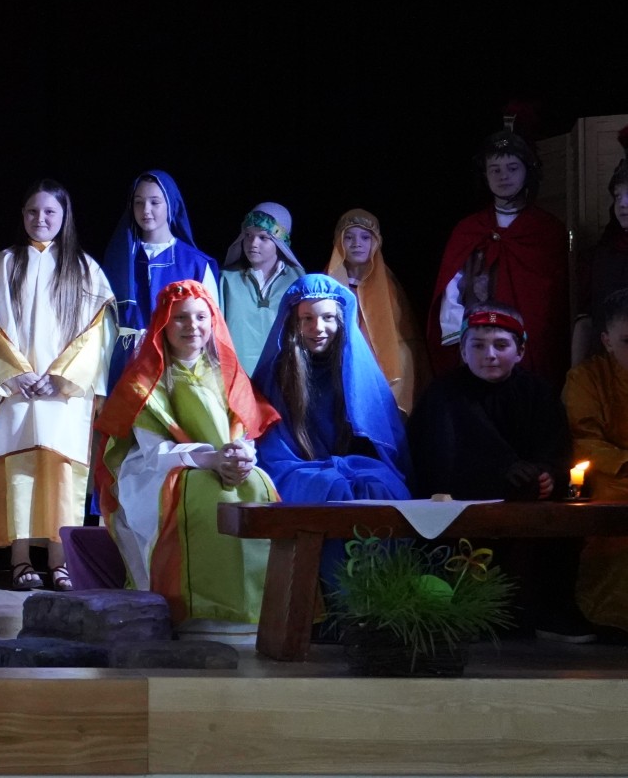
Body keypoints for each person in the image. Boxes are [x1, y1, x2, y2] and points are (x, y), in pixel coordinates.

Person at [96, 280, 277, 632]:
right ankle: (200, 613)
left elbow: (243, 430)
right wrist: (209, 459)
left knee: (257, 486)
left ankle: (256, 609)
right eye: (180, 317)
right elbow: (154, 451)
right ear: (163, 323)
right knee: (204, 496)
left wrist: (241, 457)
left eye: (200, 317)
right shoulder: (144, 381)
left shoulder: (227, 374)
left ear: (212, 322)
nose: (192, 326)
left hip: (222, 464)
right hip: (160, 469)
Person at [408, 303, 589, 641]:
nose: (489, 355)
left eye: (501, 345)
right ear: (463, 351)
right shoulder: (442, 396)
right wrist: (500, 472)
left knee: (565, 520)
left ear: (520, 351)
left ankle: (548, 614)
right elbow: (436, 460)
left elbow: (555, 449)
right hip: (462, 502)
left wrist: (547, 475)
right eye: (478, 345)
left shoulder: (537, 393)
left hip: (529, 501)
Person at [0, 179, 113, 590]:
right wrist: (17, 372)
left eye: (50, 212)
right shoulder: (5, 264)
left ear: (64, 216)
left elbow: (96, 334)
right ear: (23, 215)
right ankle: (20, 560)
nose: (41, 219)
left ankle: (61, 562)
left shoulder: (85, 269)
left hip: (62, 393)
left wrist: (61, 377)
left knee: (61, 474)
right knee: (19, 471)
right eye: (33, 211)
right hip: (17, 388)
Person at [429, 118, 571, 385]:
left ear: (527, 171)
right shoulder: (469, 229)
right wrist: (462, 338)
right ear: (485, 175)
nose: (503, 176)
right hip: (479, 345)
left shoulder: (547, 230)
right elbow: (451, 290)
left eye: (512, 168)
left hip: (533, 347)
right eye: (494, 169)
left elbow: (557, 301)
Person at [253, 274, 411, 504]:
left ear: (340, 321)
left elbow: (377, 440)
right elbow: (275, 447)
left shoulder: (357, 372)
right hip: (295, 467)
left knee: (379, 487)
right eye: (307, 318)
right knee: (332, 487)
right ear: (294, 323)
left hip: (354, 463)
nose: (318, 328)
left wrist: (345, 466)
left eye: (328, 317)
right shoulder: (276, 375)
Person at [101, 170, 219, 387]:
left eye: (155, 202)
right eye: (139, 202)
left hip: (178, 367)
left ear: (170, 205)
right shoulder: (119, 260)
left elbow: (212, 327)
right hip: (126, 365)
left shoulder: (195, 263)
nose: (146, 210)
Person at [326, 209, 428, 415]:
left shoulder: (389, 286)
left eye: (365, 237)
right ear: (338, 241)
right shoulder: (327, 284)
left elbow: (402, 338)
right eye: (349, 237)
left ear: (376, 242)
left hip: (378, 371)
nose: (357, 243)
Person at [569, 288, 628, 634]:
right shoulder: (586, 379)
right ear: (606, 341)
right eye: (627, 341)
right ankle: (611, 619)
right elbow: (582, 438)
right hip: (614, 472)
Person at [219, 202, 303, 363]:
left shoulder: (297, 281)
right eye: (248, 235)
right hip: (236, 373)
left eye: (263, 237)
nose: (253, 243)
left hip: (283, 371)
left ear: (280, 242)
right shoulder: (227, 279)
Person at [575, 129, 628, 364]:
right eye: (617, 196)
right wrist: (577, 376)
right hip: (606, 372)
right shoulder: (602, 255)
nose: (623, 204)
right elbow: (586, 321)